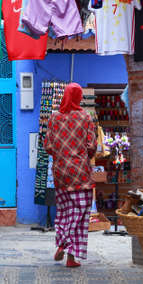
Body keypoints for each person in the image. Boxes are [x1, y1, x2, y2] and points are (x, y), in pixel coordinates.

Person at [44, 83, 97, 268]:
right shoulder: (85, 117)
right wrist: (81, 154)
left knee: (64, 212)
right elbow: (91, 146)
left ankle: (64, 247)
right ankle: (69, 251)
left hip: (60, 174)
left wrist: (62, 154)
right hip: (80, 174)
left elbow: (48, 146)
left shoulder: (54, 118)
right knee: (80, 214)